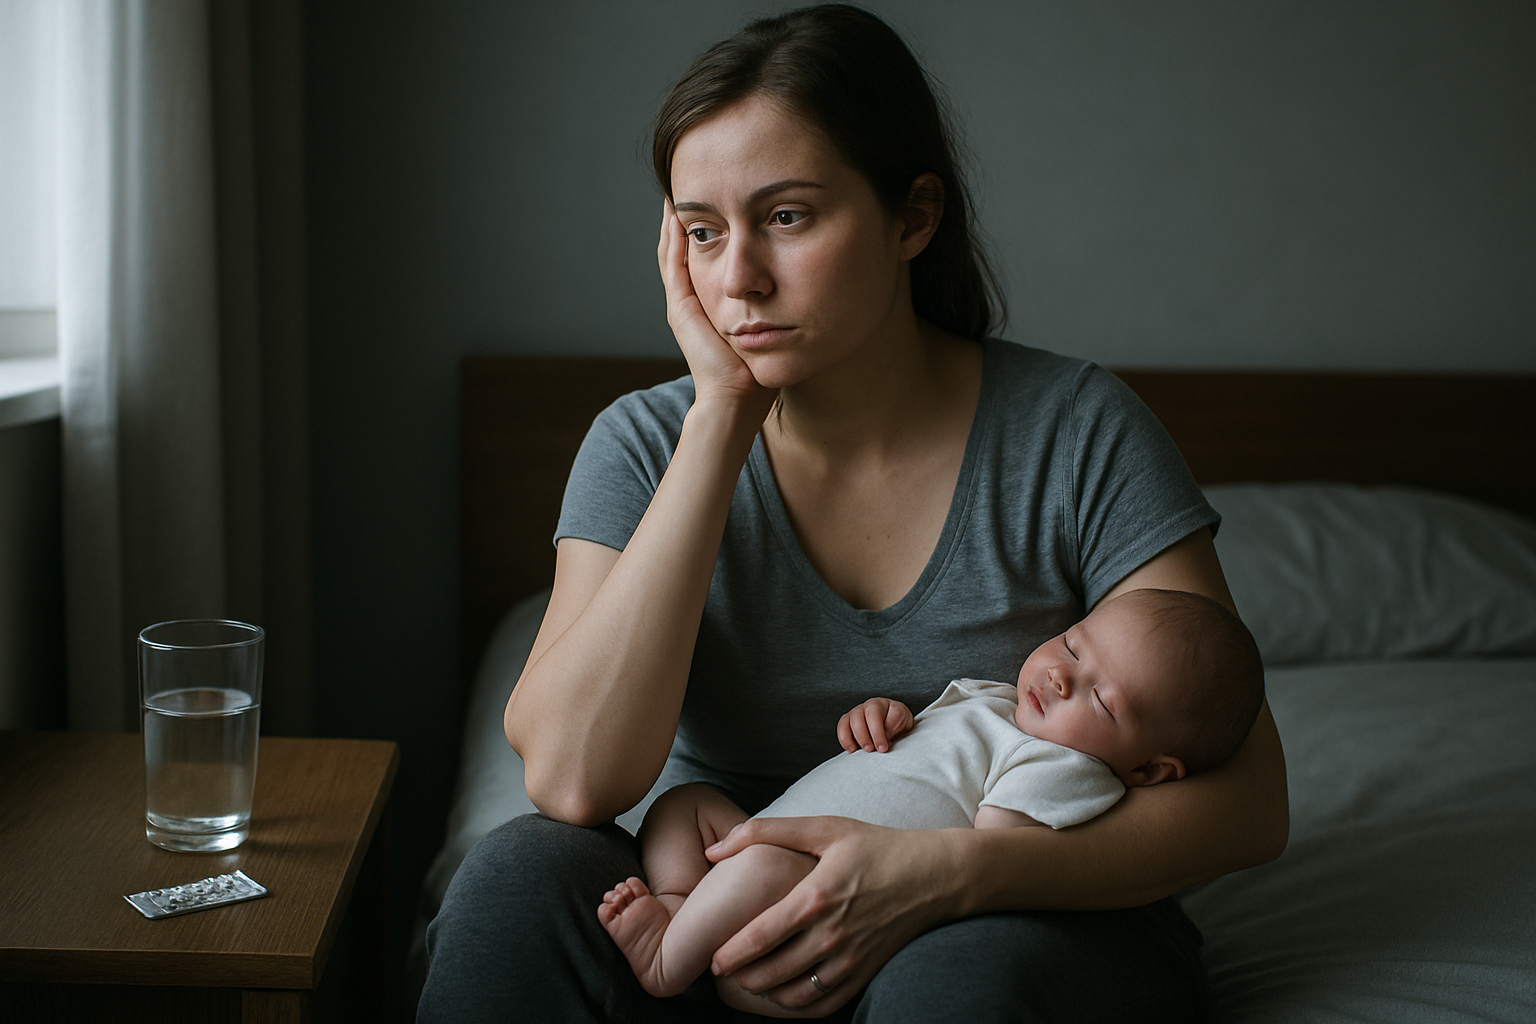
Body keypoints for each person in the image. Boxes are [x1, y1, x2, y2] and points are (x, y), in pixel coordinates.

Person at [418, 5, 1288, 1021]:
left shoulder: (1076, 431)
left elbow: (1249, 804)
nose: (738, 277)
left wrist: (942, 876)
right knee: (514, 877)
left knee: (955, 975)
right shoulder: (645, 443)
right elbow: (574, 780)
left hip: (1006, 901)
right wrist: (721, 417)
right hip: (716, 902)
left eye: (787, 217)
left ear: (913, 217)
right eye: (702, 231)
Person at [599, 587, 1266, 1016]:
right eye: (1072, 644)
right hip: (763, 845)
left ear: (1149, 768)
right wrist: (883, 718)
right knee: (687, 802)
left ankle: (665, 962)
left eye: (1100, 698)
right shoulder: (996, 700)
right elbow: (924, 753)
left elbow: (995, 848)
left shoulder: (1067, 768)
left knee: (761, 863)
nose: (1062, 675)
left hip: (808, 901)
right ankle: (683, 902)